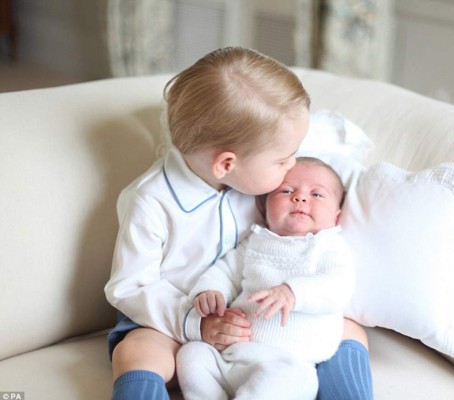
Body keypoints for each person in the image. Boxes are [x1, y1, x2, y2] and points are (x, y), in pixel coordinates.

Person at [104, 46, 372, 400]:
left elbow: (313, 148)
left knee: (349, 329)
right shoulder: (151, 202)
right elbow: (129, 286)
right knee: (136, 350)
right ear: (226, 164)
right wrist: (197, 323)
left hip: (261, 320)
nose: (291, 166)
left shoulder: (258, 175)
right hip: (174, 321)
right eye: (282, 160)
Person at [177, 157, 353, 400]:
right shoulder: (256, 242)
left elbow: (339, 286)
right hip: (232, 355)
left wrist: (293, 292)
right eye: (287, 190)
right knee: (192, 353)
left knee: (291, 379)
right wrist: (210, 291)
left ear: (336, 215)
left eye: (317, 194)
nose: (300, 198)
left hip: (289, 362)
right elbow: (225, 271)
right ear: (265, 206)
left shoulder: (329, 246)